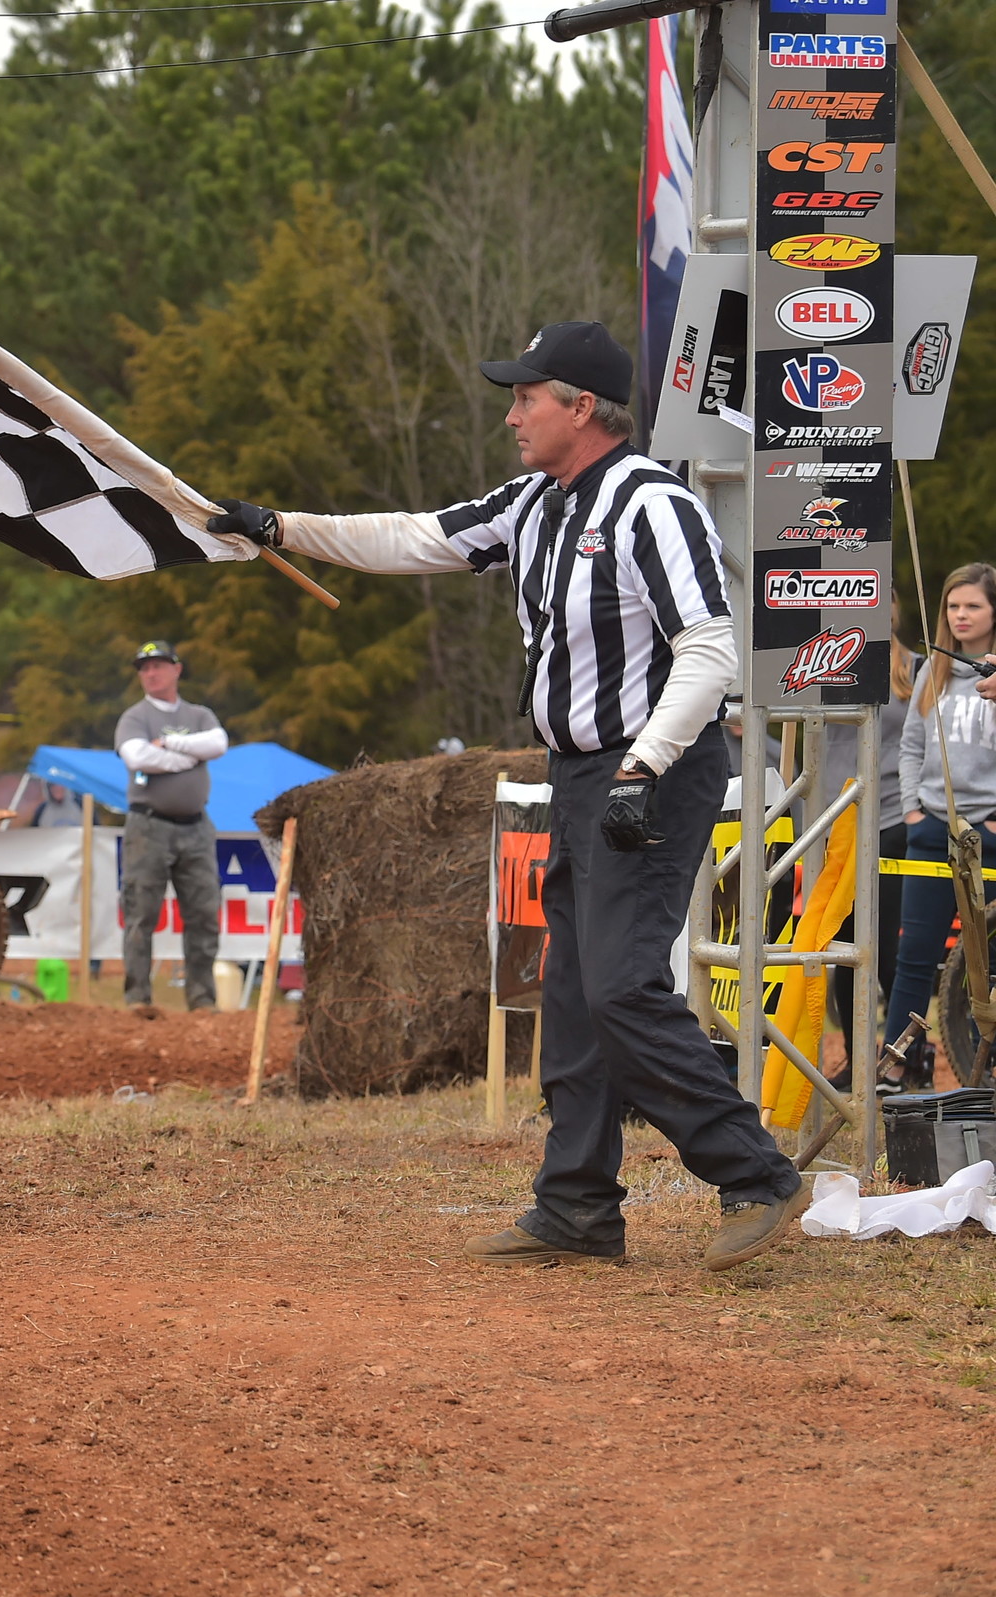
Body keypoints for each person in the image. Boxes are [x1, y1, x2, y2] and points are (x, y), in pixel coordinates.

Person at [202, 319, 800, 1272]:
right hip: (578, 769)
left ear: (583, 407)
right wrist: (279, 527)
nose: (513, 415)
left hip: (654, 766)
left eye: (527, 398)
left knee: (619, 986)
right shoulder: (530, 503)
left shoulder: (654, 504)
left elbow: (710, 649)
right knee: (572, 991)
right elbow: (411, 536)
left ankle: (755, 1173)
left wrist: (643, 767)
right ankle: (576, 1206)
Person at [885, 567, 996, 1077]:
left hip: (989, 834)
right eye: (953, 606)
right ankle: (898, 1068)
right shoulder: (934, 669)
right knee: (914, 956)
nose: (960, 616)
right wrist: (914, 811)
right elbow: (911, 745)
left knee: (985, 965)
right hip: (931, 829)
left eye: (973, 606)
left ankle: (982, 1073)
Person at [113, 641, 227, 1018]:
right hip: (149, 826)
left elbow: (218, 743)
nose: (150, 673)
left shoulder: (199, 714)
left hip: (196, 826)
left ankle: (202, 999)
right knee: (141, 912)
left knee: (203, 913)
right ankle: (138, 998)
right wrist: (187, 759)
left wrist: (170, 744)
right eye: (144, 668)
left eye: (158, 666)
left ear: (176, 670)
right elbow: (136, 755)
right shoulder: (134, 717)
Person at [821, 643, 912, 1084]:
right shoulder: (819, 659)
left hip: (893, 815)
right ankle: (857, 1061)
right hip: (835, 818)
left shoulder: (914, 668)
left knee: (887, 949)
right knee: (843, 945)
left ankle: (901, 1060)